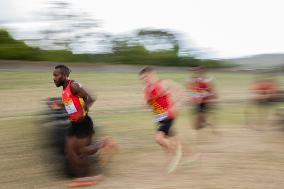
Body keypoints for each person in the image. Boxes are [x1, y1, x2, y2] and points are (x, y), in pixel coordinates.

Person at [53, 65, 117, 184]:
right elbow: (71, 102)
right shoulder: (65, 89)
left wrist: (82, 111)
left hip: (83, 123)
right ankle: (82, 177)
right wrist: (60, 104)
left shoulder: (73, 85)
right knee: (70, 151)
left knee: (82, 151)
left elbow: (91, 98)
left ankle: (103, 145)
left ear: (64, 75)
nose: (54, 78)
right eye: (53, 75)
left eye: (56, 75)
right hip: (73, 124)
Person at [139, 67, 187, 173]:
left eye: (146, 77)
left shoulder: (164, 83)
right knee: (167, 139)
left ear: (152, 74)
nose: (144, 80)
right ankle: (179, 158)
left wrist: (176, 105)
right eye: (142, 79)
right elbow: (149, 104)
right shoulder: (147, 89)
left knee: (159, 139)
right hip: (159, 117)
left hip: (168, 115)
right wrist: (147, 102)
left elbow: (182, 91)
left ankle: (177, 151)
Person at [187, 66, 217, 130]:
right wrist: (190, 97)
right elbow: (191, 88)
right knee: (197, 124)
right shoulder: (194, 79)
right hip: (197, 101)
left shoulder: (207, 79)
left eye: (200, 71)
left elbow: (211, 89)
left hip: (204, 101)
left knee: (201, 118)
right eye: (197, 71)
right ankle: (202, 123)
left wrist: (212, 94)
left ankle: (203, 122)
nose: (198, 72)